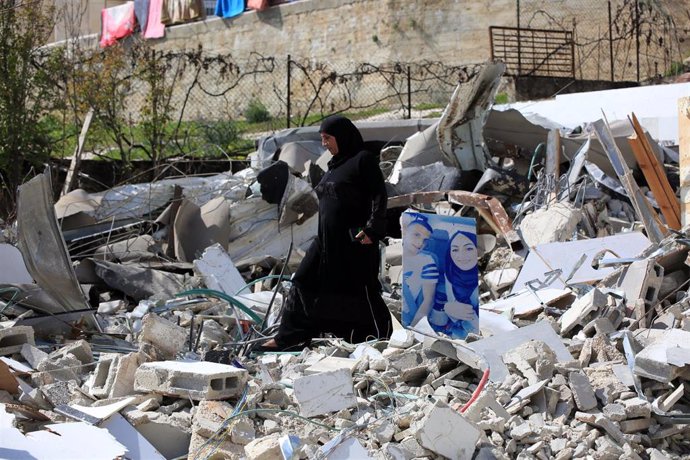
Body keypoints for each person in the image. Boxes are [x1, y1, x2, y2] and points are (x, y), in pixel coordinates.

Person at [259, 115, 392, 350]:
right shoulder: (334, 166)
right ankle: (288, 337)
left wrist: (373, 229)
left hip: (354, 241)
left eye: (327, 138)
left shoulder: (362, 161)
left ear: (342, 137)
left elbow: (379, 196)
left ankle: (381, 334)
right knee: (302, 281)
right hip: (326, 242)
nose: (324, 144)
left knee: (361, 290)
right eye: (322, 138)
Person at [432, 230, 479, 339]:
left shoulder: (483, 276)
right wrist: (448, 308)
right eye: (455, 250)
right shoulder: (450, 273)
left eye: (469, 248)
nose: (461, 255)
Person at [401, 213, 439, 327]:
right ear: (405, 232)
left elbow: (428, 300)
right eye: (416, 235)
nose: (420, 243)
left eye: (425, 240)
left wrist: (413, 329)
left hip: (405, 319)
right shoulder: (390, 253)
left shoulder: (427, 261)